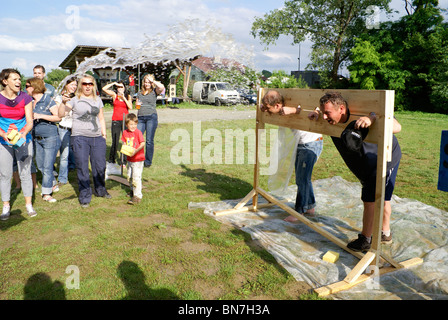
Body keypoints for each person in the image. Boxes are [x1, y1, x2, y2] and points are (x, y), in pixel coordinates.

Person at [309, 91, 402, 252]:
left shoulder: (368, 114)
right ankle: (385, 234)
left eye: (328, 113)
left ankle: (366, 239)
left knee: (372, 199)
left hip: (384, 159)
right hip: (364, 164)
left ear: (342, 109)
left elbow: (397, 127)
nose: (325, 117)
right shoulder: (331, 119)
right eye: (323, 113)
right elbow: (319, 113)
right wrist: (317, 113)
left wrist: (371, 119)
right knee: (382, 198)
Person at [261, 90, 323, 221]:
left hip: (311, 144)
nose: (266, 110)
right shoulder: (279, 109)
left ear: (278, 105)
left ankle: (299, 212)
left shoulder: (294, 107)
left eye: (268, 108)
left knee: (302, 179)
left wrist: (295, 110)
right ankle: (310, 206)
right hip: (301, 144)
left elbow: (311, 108)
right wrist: (264, 108)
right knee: (303, 177)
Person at [58, 74, 111, 208]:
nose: (87, 86)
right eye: (85, 84)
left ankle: (100, 190)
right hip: (79, 137)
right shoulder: (74, 100)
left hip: (97, 137)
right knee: (82, 167)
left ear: (93, 86)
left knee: (99, 166)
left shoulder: (97, 99)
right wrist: (63, 103)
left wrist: (104, 135)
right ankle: (85, 196)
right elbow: (60, 114)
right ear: (80, 85)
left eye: (90, 84)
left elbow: (101, 118)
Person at [0, 68, 37, 219]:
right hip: (3, 141)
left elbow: (30, 122)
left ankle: (29, 205)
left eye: (19, 79)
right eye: (14, 79)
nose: (18, 82)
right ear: (5, 81)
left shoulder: (25, 98)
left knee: (25, 173)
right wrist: (3, 134)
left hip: (23, 140)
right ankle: (6, 206)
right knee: (4, 174)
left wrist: (23, 134)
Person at [26, 77, 61, 203]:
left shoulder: (48, 100)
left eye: (27, 86)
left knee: (47, 166)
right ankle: (53, 183)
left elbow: (58, 117)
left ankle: (47, 193)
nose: (25, 88)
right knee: (41, 165)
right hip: (36, 138)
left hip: (50, 137)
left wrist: (41, 116)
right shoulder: (30, 101)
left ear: (34, 87)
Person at [136, 74, 165, 167]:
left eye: (149, 82)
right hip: (140, 118)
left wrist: (153, 81)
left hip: (151, 117)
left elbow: (161, 87)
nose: (147, 84)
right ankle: (138, 159)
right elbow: (137, 104)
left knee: (149, 140)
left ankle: (147, 162)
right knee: (138, 139)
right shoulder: (140, 92)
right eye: (145, 82)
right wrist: (137, 104)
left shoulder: (154, 92)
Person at [102, 81, 132, 166]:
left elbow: (130, 107)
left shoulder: (127, 96)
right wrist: (114, 83)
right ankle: (111, 160)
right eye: (118, 87)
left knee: (126, 141)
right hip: (115, 120)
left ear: (124, 88)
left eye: (121, 87)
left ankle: (124, 161)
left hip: (125, 121)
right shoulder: (114, 95)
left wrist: (124, 98)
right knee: (115, 141)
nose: (120, 89)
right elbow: (104, 89)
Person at [54, 76, 77, 186]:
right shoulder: (59, 98)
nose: (74, 87)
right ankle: (62, 179)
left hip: (76, 129)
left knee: (77, 152)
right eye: (72, 84)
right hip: (64, 129)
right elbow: (62, 114)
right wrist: (65, 102)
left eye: (76, 85)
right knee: (64, 154)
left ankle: (76, 169)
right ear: (66, 85)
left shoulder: (77, 97)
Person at [121, 113, 145, 205]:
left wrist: (136, 150)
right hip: (130, 159)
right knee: (129, 176)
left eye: (135, 124)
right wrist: (124, 149)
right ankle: (132, 191)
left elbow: (142, 143)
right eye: (131, 124)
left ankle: (137, 196)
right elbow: (124, 143)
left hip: (138, 159)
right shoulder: (125, 132)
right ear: (127, 124)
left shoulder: (138, 132)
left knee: (136, 177)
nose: (133, 126)